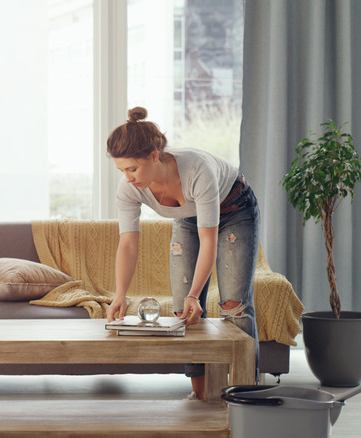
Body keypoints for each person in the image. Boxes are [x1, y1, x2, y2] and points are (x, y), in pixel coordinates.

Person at [105, 106, 259, 401]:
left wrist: (195, 293)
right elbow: (128, 244)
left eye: (132, 169)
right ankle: (201, 396)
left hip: (234, 209)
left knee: (233, 306)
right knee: (182, 312)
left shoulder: (196, 169)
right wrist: (120, 293)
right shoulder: (129, 189)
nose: (127, 178)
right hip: (188, 219)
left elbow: (209, 240)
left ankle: (246, 397)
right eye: (121, 170)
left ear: (153, 156)